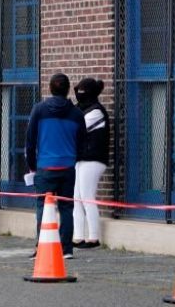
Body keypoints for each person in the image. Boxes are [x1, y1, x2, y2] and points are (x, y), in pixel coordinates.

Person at [26, 73, 84, 259]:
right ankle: (66, 249)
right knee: (67, 208)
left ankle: (42, 245)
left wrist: (32, 166)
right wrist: (74, 160)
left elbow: (30, 141)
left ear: (50, 88)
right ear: (68, 90)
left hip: (45, 167)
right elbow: (82, 143)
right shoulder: (77, 114)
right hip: (67, 167)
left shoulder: (39, 110)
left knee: (43, 207)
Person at [72, 78, 109, 249]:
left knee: (87, 197)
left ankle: (94, 237)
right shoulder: (81, 109)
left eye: (82, 91)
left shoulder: (96, 111)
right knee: (76, 198)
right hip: (81, 158)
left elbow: (77, 128)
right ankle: (78, 236)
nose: (79, 95)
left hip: (94, 159)